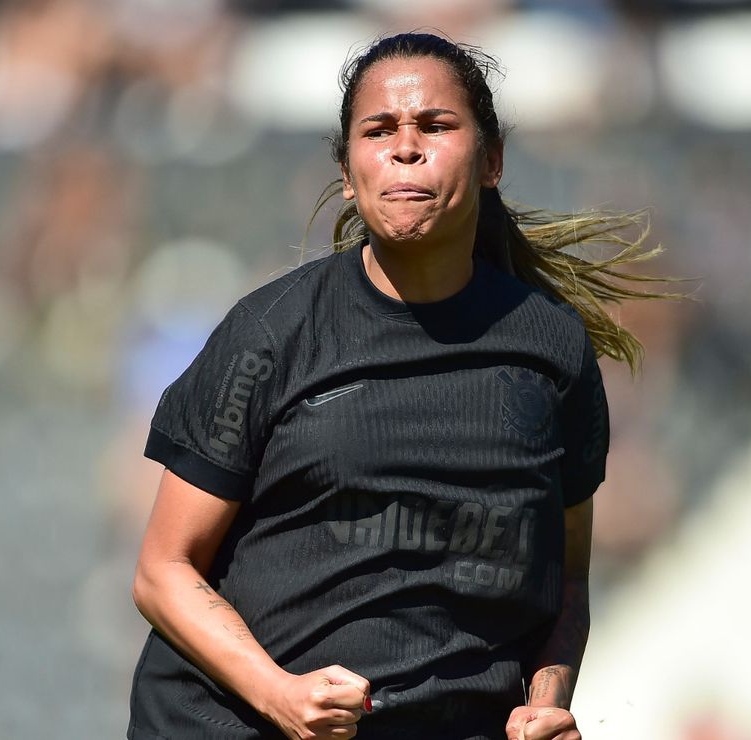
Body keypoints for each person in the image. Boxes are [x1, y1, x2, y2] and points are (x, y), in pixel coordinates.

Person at [128, 32, 671, 740]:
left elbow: (565, 582)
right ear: (349, 173)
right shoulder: (272, 334)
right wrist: (281, 697)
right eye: (378, 130)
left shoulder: (552, 347)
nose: (405, 148)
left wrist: (549, 700)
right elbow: (162, 570)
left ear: (492, 160)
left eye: (436, 126)